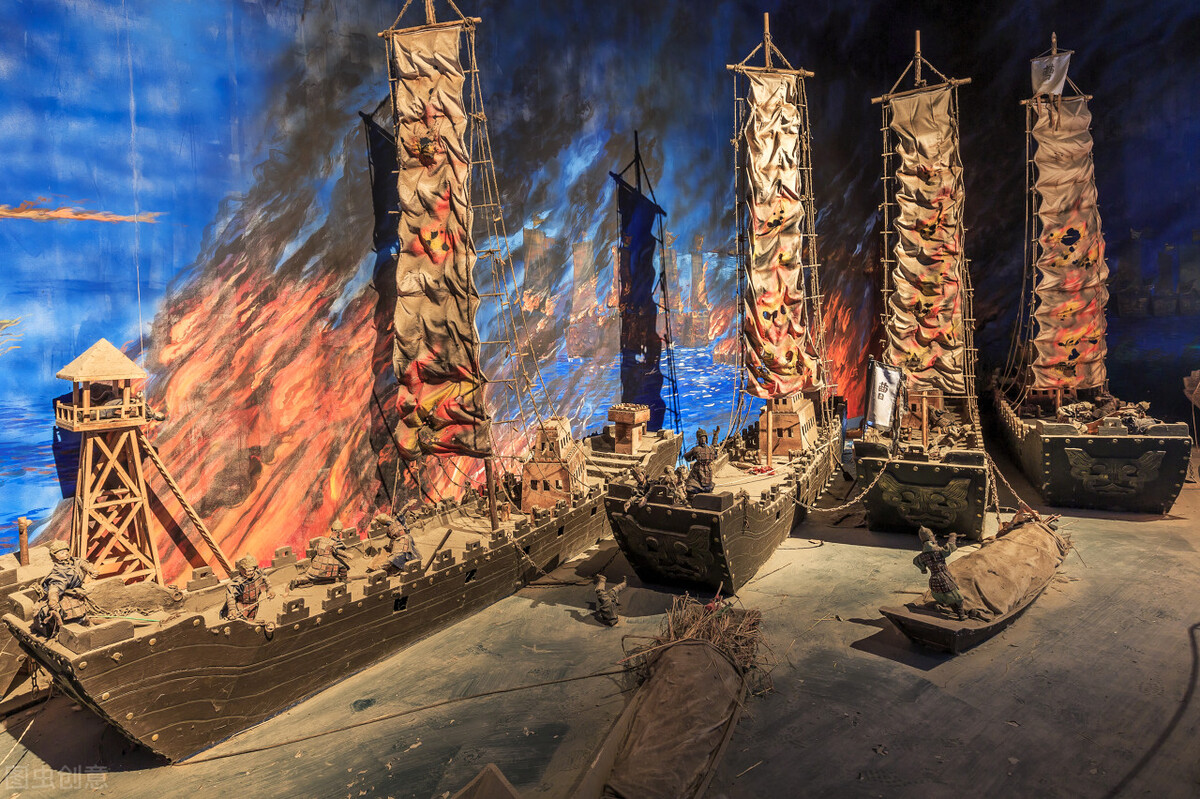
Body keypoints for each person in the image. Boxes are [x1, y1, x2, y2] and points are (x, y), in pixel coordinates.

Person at [33, 541, 95, 637]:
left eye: (66, 551)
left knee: (82, 615)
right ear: (55, 556)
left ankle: (84, 622)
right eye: (62, 553)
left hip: (76, 595)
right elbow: (55, 587)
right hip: (64, 598)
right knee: (68, 615)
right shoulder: (58, 573)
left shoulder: (73, 562)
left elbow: (81, 562)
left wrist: (90, 570)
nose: (66, 554)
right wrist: (53, 600)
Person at [913, 526, 966, 621]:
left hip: (933, 580)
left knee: (948, 597)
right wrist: (952, 537)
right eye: (933, 536)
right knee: (958, 598)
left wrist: (923, 569)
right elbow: (950, 547)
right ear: (930, 538)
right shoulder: (939, 551)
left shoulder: (922, 556)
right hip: (944, 578)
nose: (935, 537)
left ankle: (956, 612)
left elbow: (916, 561)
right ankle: (961, 616)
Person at [289, 522, 351, 589]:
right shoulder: (334, 542)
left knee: (311, 577)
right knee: (343, 567)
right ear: (339, 532)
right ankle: (344, 579)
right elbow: (338, 551)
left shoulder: (322, 540)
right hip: (327, 562)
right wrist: (347, 555)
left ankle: (298, 581)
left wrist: (315, 559)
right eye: (340, 532)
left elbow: (315, 550)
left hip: (317, 561)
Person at [367, 509, 422, 573]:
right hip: (399, 540)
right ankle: (377, 566)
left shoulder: (397, 523)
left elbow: (402, 514)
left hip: (403, 540)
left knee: (397, 556)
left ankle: (382, 568)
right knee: (384, 552)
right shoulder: (391, 526)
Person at [224, 554, 274, 621]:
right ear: (241, 570)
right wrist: (232, 609)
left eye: (251, 570)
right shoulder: (236, 583)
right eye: (246, 571)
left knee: (251, 619)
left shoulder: (259, 574)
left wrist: (269, 590)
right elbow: (230, 596)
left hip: (254, 605)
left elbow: (265, 579)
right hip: (241, 607)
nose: (249, 573)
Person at [684, 428, 718, 495]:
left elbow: (714, 452)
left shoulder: (709, 449)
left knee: (707, 487)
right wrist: (693, 455)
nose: (703, 439)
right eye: (701, 438)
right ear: (698, 439)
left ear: (706, 438)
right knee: (691, 487)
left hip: (707, 471)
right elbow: (687, 457)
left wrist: (715, 436)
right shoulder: (696, 449)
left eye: (704, 438)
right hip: (697, 471)